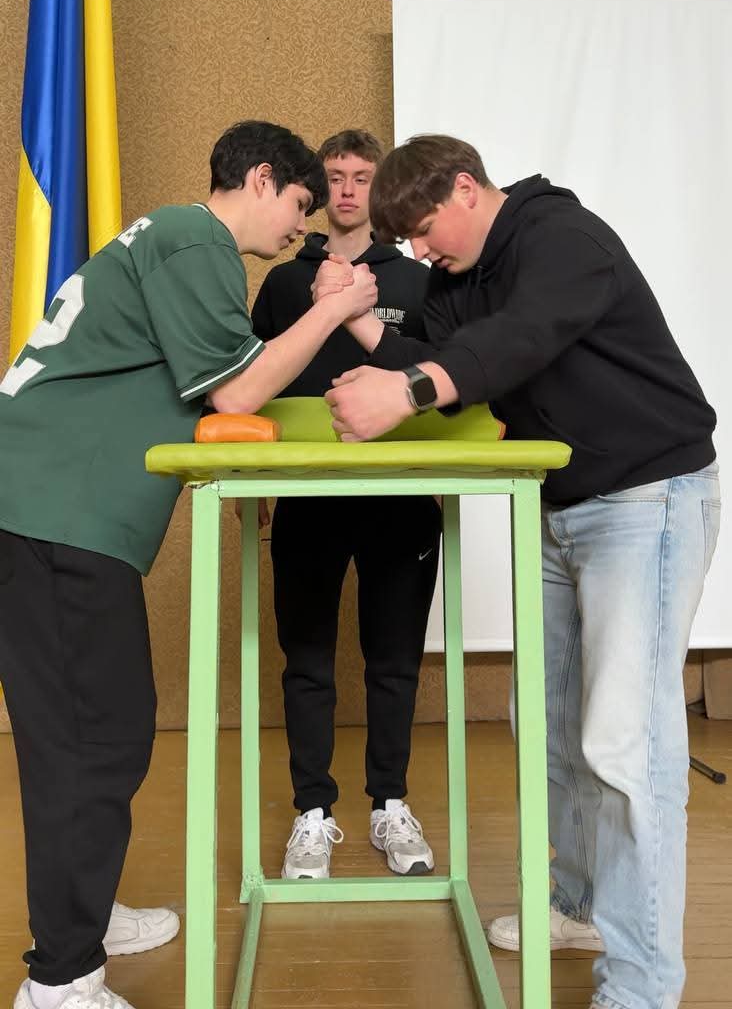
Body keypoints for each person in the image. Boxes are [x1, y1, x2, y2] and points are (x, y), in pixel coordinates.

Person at [318, 134, 720, 1009]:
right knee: (551, 724)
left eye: (425, 228)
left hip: (646, 500)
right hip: (560, 506)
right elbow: (441, 356)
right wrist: (357, 325)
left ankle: (643, 987)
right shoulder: (462, 276)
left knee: (626, 743)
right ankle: (577, 907)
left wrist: (408, 391)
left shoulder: (561, 237)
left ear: (466, 188)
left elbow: (521, 338)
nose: (422, 250)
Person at [0, 120, 377, 1009]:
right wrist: (333, 309)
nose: (300, 224)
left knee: (111, 731)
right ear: (260, 178)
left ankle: (85, 918)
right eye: (298, 202)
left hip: (57, 515)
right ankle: (60, 979)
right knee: (87, 744)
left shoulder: (174, 241)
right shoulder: (194, 238)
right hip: (49, 514)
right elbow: (237, 389)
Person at [251, 129, 441, 881]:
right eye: (336, 176)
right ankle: (312, 812)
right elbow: (253, 384)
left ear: (380, 185)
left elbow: (441, 380)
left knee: (394, 661)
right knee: (306, 662)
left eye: (363, 176)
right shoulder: (283, 283)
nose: (349, 189)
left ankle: (390, 805)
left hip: (400, 497)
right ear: (319, 186)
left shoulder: (418, 280)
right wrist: (255, 484)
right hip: (307, 497)